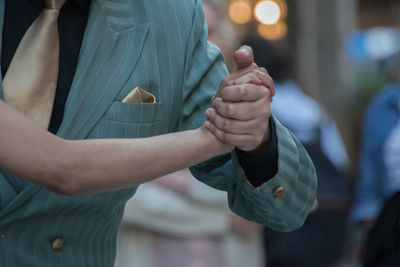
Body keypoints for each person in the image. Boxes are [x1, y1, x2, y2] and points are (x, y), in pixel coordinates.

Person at [0, 1, 317, 267]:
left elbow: (287, 206)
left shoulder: (169, 17)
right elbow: (65, 170)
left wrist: (254, 131)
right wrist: (214, 136)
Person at [116, 1, 264, 266]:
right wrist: (225, 215)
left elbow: (270, 200)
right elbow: (120, 199)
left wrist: (167, 181)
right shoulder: (130, 102)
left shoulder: (247, 105)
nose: (200, 42)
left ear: (226, 38)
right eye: (187, 32)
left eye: (210, 31)